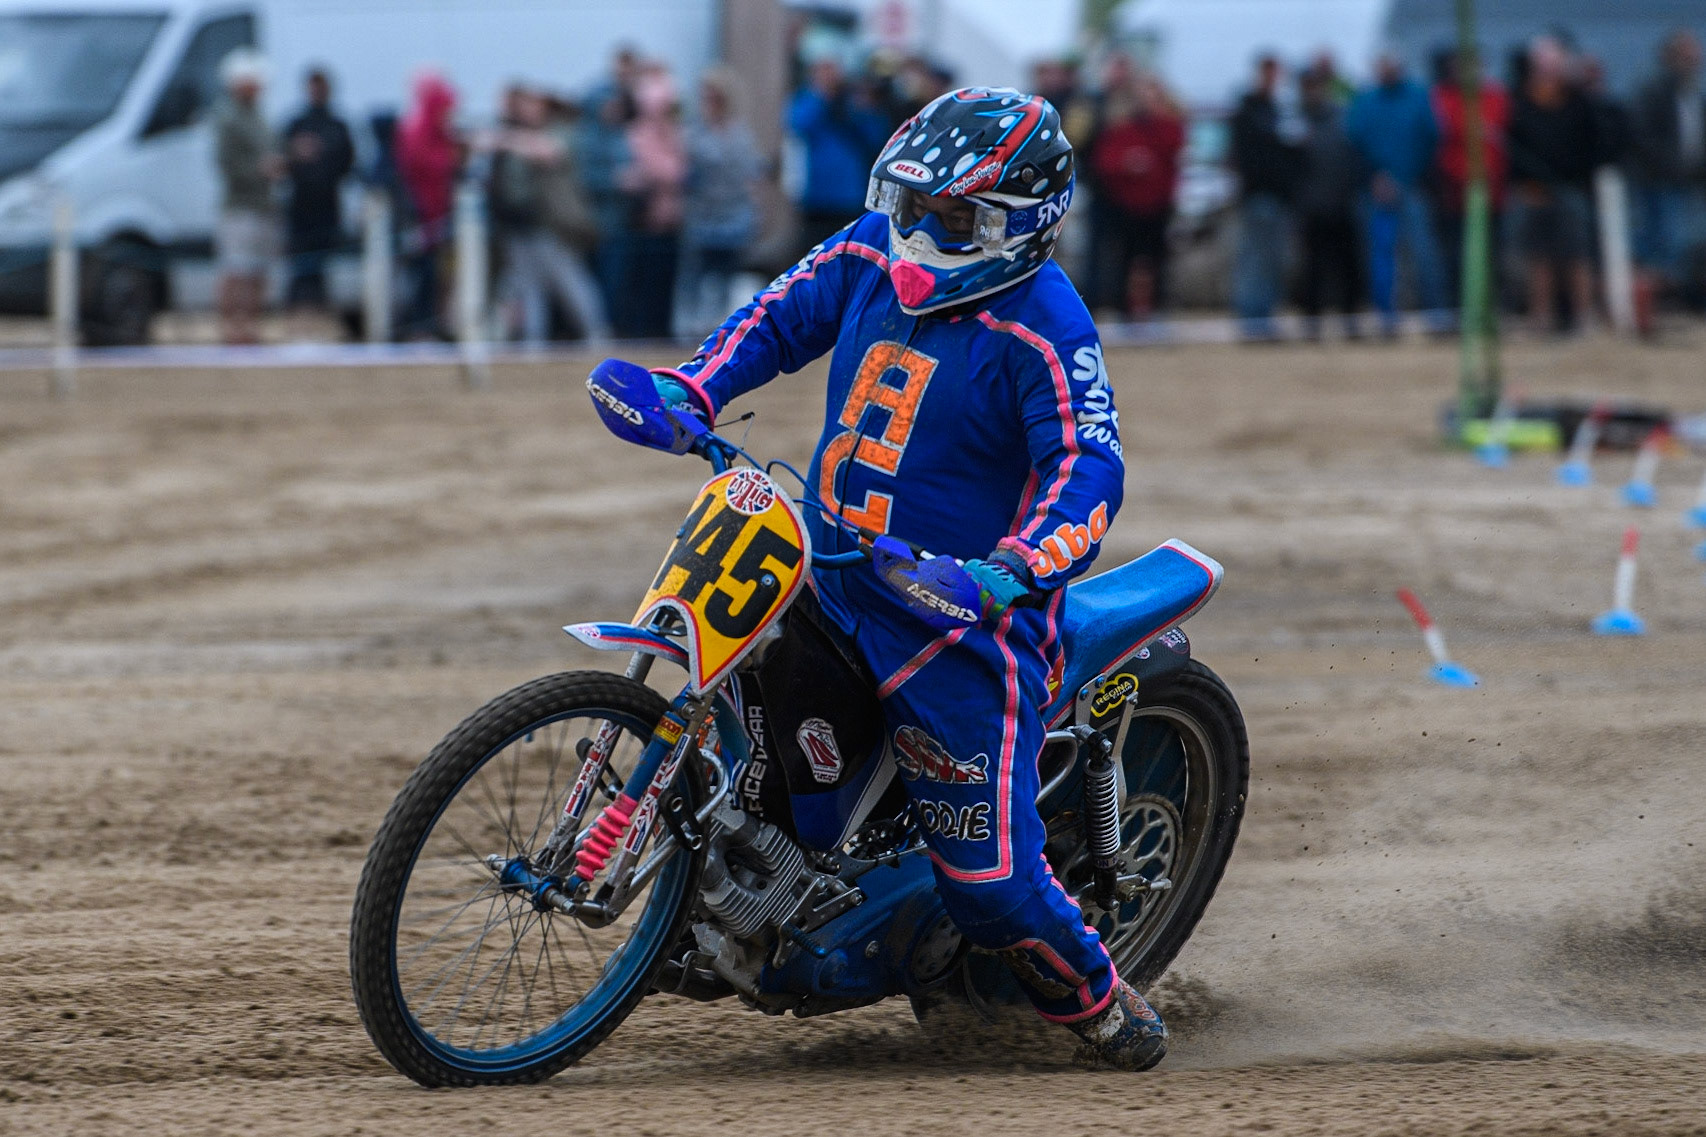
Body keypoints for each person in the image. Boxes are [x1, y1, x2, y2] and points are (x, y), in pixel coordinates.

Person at [599, 87, 1168, 1071]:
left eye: (951, 218)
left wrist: (1007, 571)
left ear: (1017, 225)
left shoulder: (1047, 326)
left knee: (988, 885)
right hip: (825, 566)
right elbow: (776, 318)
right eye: (910, 205)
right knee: (731, 699)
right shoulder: (870, 248)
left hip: (956, 625)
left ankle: (1101, 1001)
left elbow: (1087, 469)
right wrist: (693, 389)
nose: (918, 233)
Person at [489, 85, 609, 345]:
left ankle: (596, 333)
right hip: (518, 225)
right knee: (529, 287)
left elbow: (547, 152)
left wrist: (504, 140)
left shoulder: (561, 131)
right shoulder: (515, 133)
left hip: (552, 224)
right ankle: (534, 341)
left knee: (569, 281)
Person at [1346, 51, 1448, 336]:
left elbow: (1431, 139)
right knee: (1380, 255)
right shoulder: (1365, 101)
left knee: (1424, 252)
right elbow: (1355, 142)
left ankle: (1435, 315)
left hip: (1412, 186)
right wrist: (1376, 177)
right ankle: (1386, 316)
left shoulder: (1419, 97)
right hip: (1375, 190)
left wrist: (1406, 176)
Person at [1506, 36, 1599, 333]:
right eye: (1542, 65)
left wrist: (1578, 178)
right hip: (1533, 191)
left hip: (1570, 188)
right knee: (1539, 258)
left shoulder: (1576, 101)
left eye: (1553, 64)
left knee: (1576, 255)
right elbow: (1515, 144)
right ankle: (1541, 316)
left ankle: (1583, 315)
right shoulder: (1522, 101)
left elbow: (1590, 143)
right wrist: (1524, 183)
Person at [1084, 69, 1185, 319]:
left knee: (1157, 258)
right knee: (1124, 259)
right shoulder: (1120, 127)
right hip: (1126, 205)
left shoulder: (1168, 126)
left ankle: (1157, 306)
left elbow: (1173, 154)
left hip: (1157, 205)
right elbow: (1105, 163)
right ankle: (1124, 308)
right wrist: (1127, 164)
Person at [683, 69, 764, 332]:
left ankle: (720, 327)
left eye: (715, 98)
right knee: (696, 274)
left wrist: (756, 211)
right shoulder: (693, 133)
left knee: (727, 274)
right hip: (702, 215)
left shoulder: (739, 134)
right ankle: (690, 327)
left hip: (734, 214)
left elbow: (751, 175)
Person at [1430, 48, 1510, 305]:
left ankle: (1491, 304)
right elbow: (1445, 140)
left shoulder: (1496, 97)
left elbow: (1501, 138)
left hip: (1492, 192)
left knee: (1492, 252)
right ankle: (1460, 305)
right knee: (1457, 253)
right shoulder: (1442, 98)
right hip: (1455, 192)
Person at [1631, 30, 1706, 304]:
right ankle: (1656, 299)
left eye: (1695, 55)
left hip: (1691, 182)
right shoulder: (1653, 92)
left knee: (1683, 244)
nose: (1693, 61)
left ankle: (1674, 295)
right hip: (1659, 181)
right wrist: (1672, 167)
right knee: (1662, 243)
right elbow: (1643, 137)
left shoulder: (1693, 94)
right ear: (1669, 57)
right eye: (1686, 55)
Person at [787, 54, 890, 252]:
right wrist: (821, 94)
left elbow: (876, 137)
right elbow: (798, 124)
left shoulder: (853, 100)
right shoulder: (809, 99)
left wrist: (862, 108)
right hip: (817, 197)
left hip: (850, 196)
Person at [1229, 54, 1299, 338]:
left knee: (1272, 261)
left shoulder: (1277, 111)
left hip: (1278, 198)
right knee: (1255, 260)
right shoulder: (1248, 112)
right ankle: (1253, 320)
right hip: (1258, 197)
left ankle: (1264, 317)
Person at [213, 49, 280, 345]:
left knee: (257, 270)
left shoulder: (258, 116)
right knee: (236, 269)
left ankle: (251, 326)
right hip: (239, 206)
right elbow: (226, 164)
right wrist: (259, 170)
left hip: (262, 204)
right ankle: (231, 327)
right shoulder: (228, 118)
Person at [1295, 63, 1365, 338]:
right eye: (1308, 86)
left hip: (1342, 204)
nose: (1313, 91)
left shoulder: (1344, 118)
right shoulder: (1295, 122)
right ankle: (1311, 322)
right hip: (1311, 208)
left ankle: (1351, 320)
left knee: (1348, 266)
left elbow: (1354, 157)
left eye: (1317, 85)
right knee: (1312, 267)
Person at [619, 66, 688, 339]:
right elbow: (667, 171)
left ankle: (660, 333)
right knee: (644, 285)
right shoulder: (640, 134)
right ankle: (641, 335)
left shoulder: (674, 132)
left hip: (672, 219)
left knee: (665, 285)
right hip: (645, 220)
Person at [281, 67, 354, 314]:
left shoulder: (337, 125)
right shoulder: (296, 124)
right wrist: (296, 153)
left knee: (323, 265)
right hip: (301, 206)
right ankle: (297, 314)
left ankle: (319, 313)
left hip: (327, 205)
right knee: (299, 266)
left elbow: (348, 163)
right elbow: (280, 162)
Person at [395, 71, 462, 339]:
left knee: (437, 276)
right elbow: (424, 169)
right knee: (423, 275)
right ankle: (418, 326)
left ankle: (433, 325)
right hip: (422, 217)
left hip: (439, 217)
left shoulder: (435, 132)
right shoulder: (417, 132)